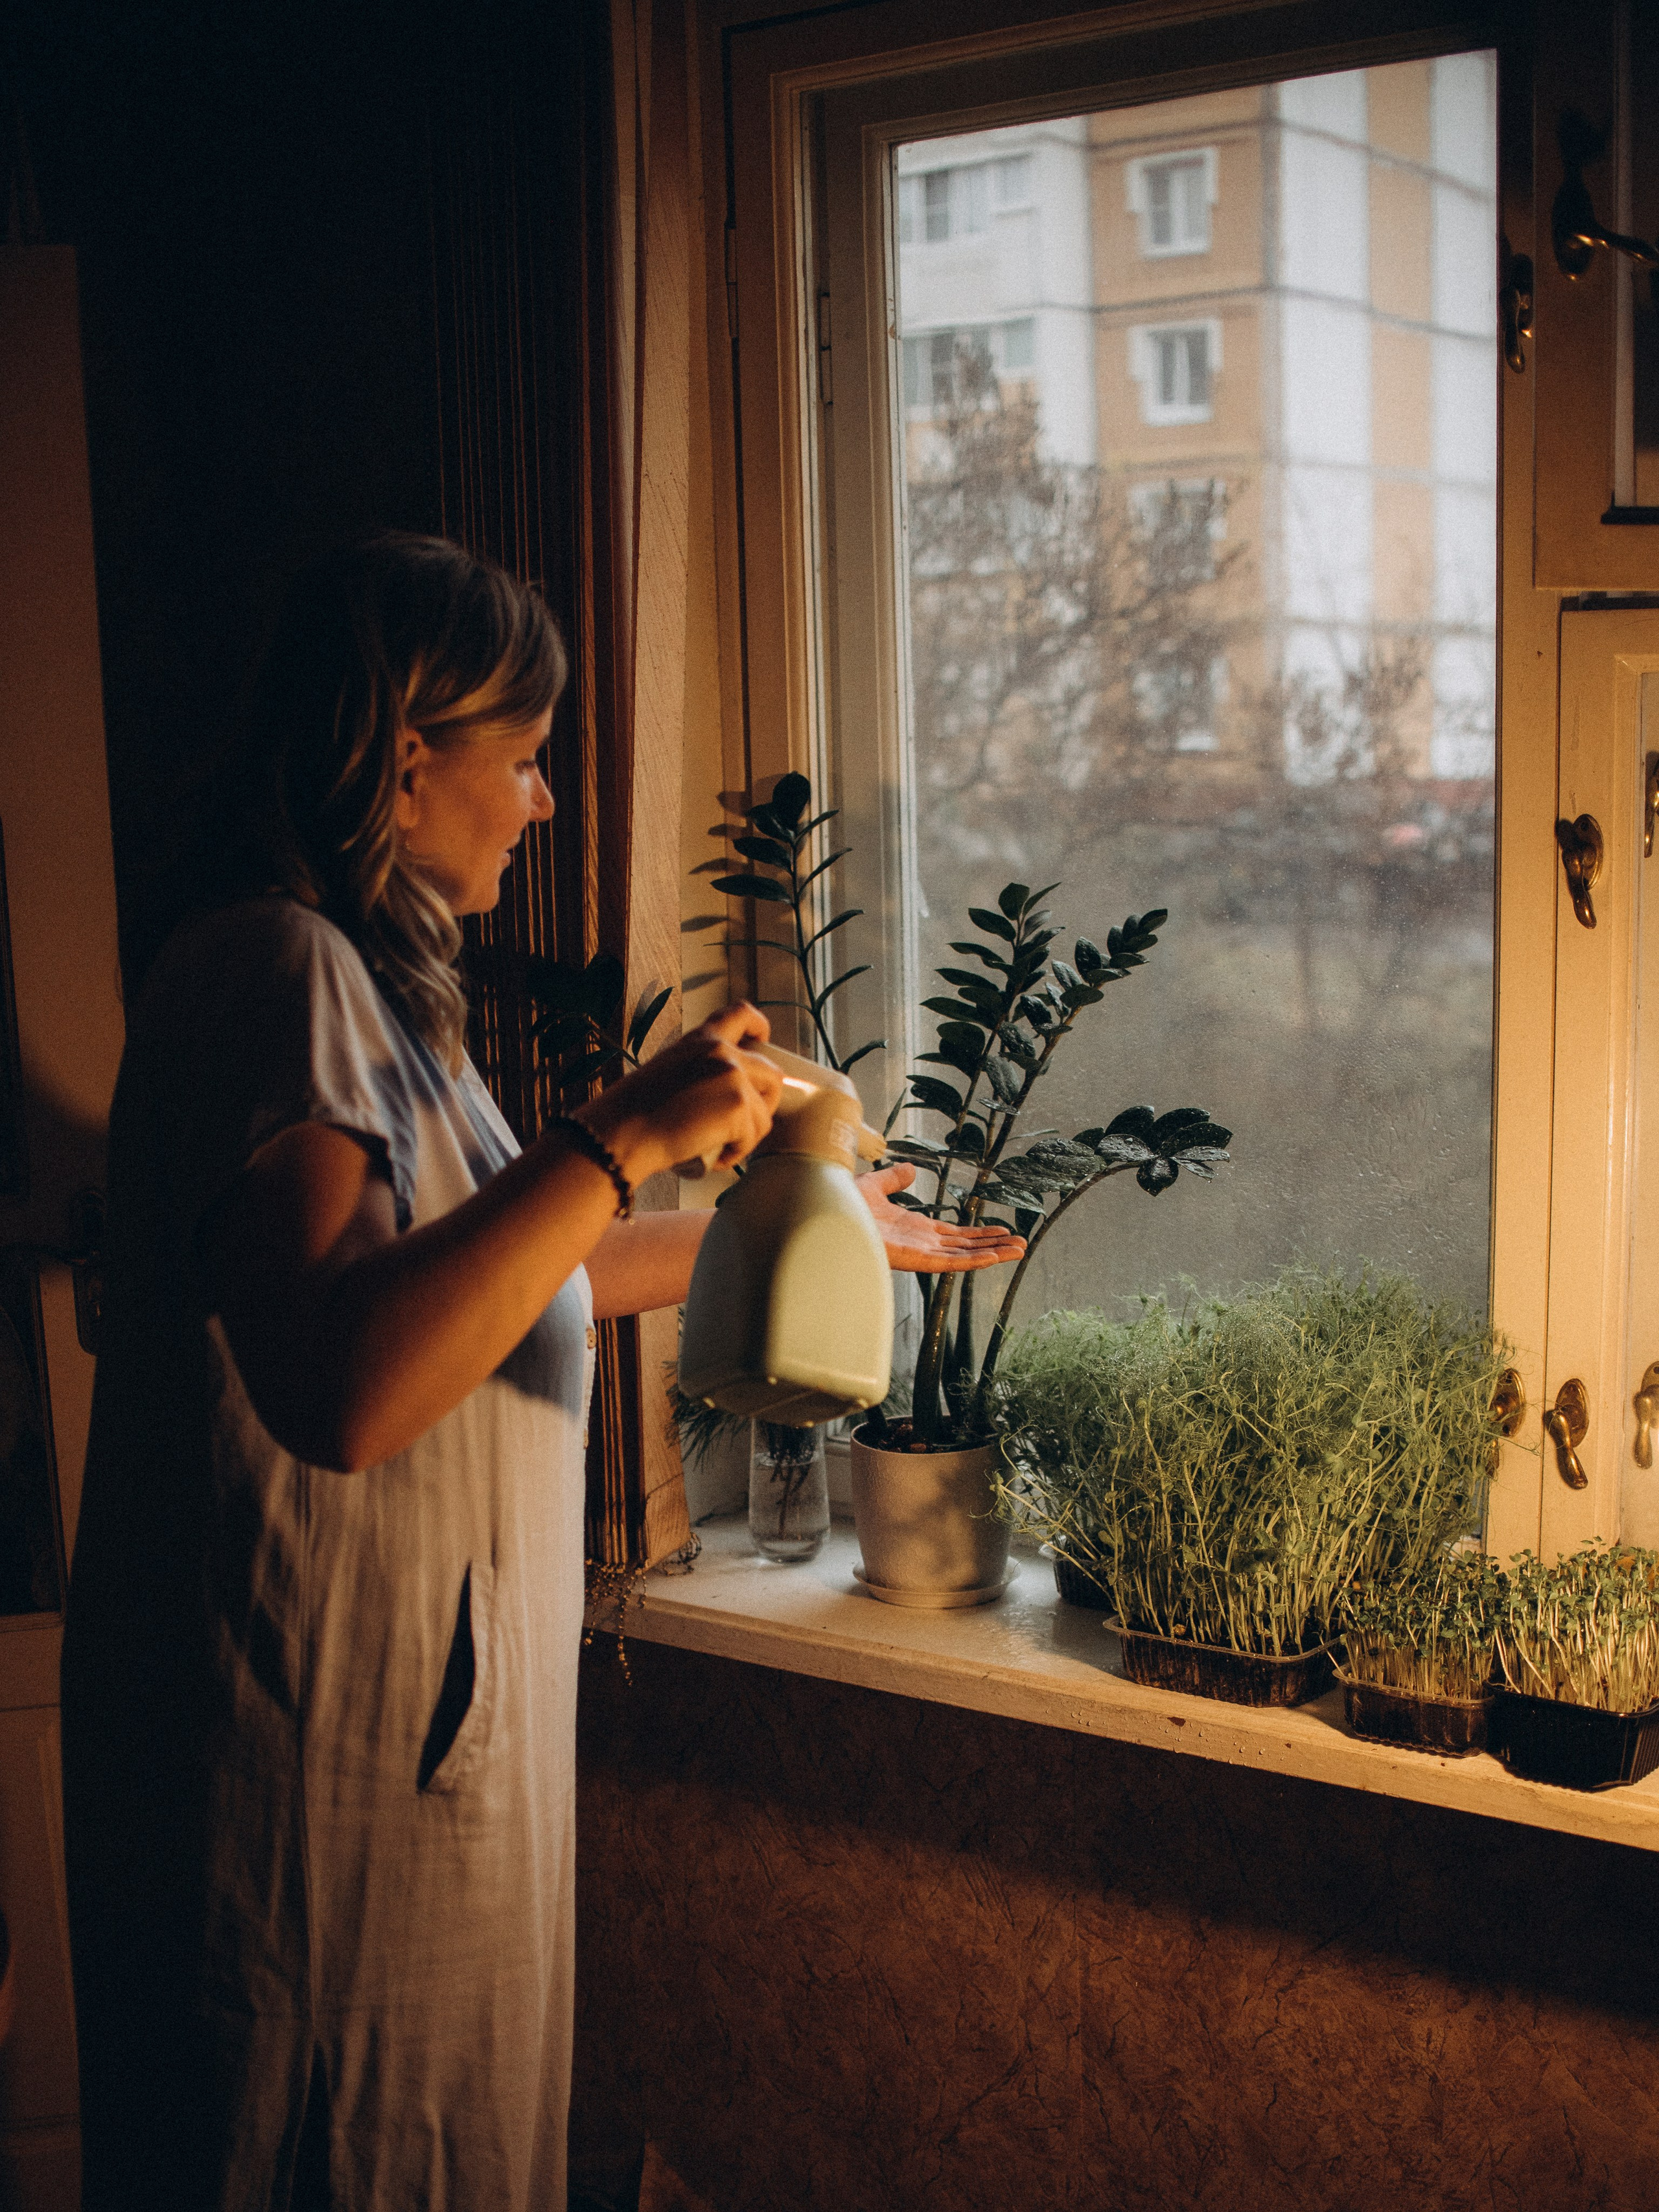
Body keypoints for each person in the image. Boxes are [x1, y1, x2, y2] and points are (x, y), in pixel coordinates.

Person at [60, 533, 1022, 2212]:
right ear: (406, 758)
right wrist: (618, 1131)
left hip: (420, 1779)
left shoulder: (377, 1006)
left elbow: (522, 1279)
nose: (548, 799)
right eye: (524, 756)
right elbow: (343, 1383)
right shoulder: (267, 971)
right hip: (311, 1802)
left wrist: (818, 1226)